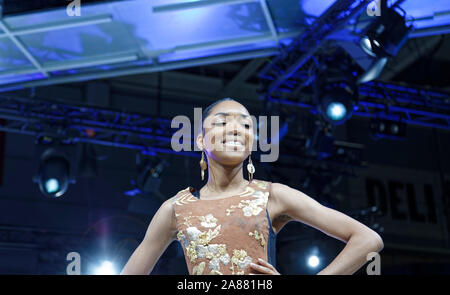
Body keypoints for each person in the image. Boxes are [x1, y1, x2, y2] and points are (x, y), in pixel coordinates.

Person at [120, 98, 383, 275]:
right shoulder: (176, 208)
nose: (235, 129)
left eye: (245, 125)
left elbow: (368, 239)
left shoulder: (272, 196)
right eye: (222, 122)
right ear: (200, 140)